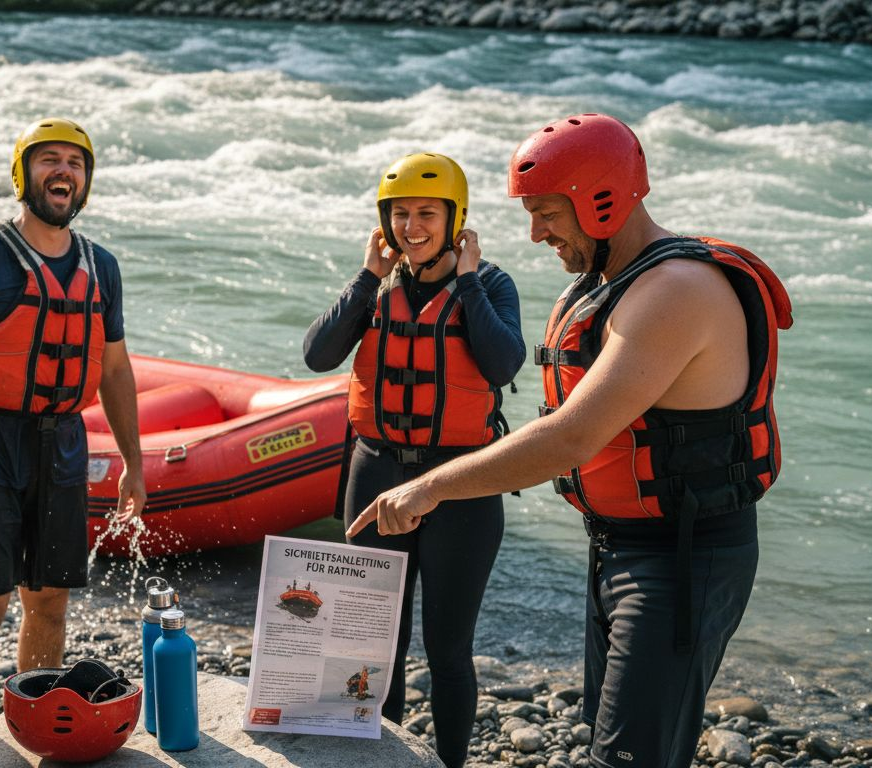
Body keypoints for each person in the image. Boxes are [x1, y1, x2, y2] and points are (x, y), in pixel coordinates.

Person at [348, 114, 793, 768]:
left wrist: (430, 485)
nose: (534, 235)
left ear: (601, 197)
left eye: (547, 214)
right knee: (609, 740)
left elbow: (570, 439)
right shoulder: (612, 282)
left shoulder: (676, 291)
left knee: (627, 757)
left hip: (680, 558)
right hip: (618, 545)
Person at [0, 117, 147, 746]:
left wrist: (134, 460)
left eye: (74, 163)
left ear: (86, 180)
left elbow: (116, 369)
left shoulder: (102, 267)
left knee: (48, 603)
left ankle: (35, 731)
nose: (63, 172)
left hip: (63, 445)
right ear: (23, 174)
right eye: (49, 160)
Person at [304, 152, 525, 768]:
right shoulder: (376, 287)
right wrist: (363, 279)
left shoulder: (494, 283)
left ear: (456, 220)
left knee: (449, 649)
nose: (411, 226)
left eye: (427, 213)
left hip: (460, 486)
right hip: (375, 474)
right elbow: (318, 356)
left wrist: (471, 281)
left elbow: (504, 363)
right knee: (375, 645)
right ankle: (381, 760)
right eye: (400, 214)